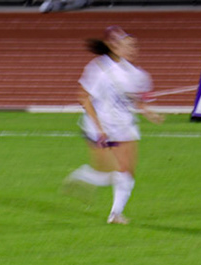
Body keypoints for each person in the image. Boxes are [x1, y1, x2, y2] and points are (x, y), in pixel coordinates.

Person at [61, 28, 164, 225]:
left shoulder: (138, 75)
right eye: (127, 45)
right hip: (101, 126)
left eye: (134, 46)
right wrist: (99, 128)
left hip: (124, 126)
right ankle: (82, 175)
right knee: (109, 173)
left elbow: (136, 100)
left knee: (127, 172)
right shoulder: (100, 69)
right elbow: (84, 97)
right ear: (115, 48)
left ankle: (115, 214)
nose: (132, 49)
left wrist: (149, 113)